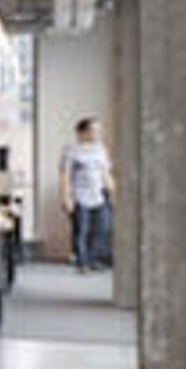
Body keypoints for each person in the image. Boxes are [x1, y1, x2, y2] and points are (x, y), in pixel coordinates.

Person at [60, 117, 115, 273]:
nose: (97, 133)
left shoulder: (101, 150)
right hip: (79, 195)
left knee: (103, 227)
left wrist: (113, 191)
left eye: (99, 130)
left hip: (98, 195)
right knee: (81, 230)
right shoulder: (71, 150)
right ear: (82, 132)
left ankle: (93, 259)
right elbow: (65, 175)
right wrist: (66, 197)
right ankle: (82, 262)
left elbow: (106, 173)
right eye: (93, 130)